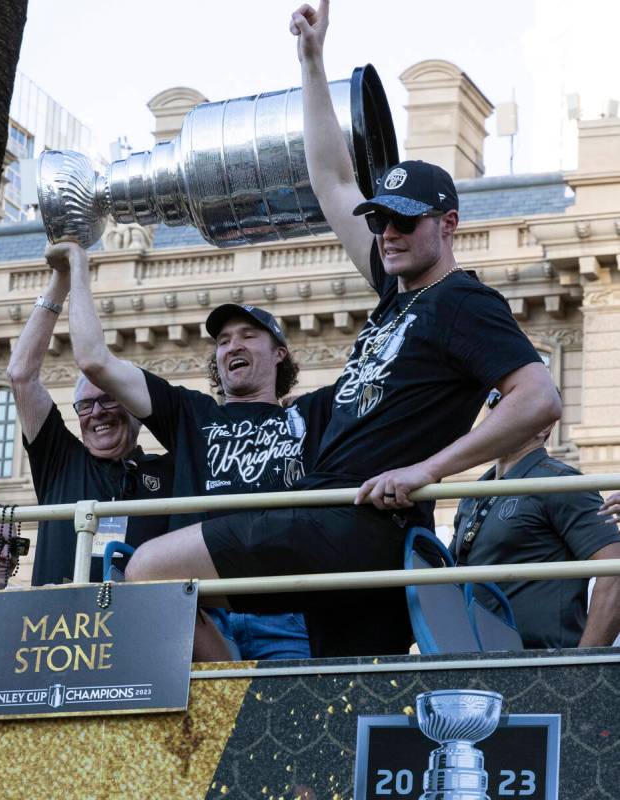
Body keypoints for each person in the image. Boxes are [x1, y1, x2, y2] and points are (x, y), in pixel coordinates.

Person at [63, 0, 561, 660]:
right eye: (379, 220)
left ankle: (230, 716)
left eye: (404, 223)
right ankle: (261, 737)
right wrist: (311, 60)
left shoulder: (461, 302)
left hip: (350, 521)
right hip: (353, 531)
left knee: (147, 571)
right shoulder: (394, 293)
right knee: (340, 696)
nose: (386, 234)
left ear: (447, 225)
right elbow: (330, 178)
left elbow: (539, 399)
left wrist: (427, 469)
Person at [57, 240, 334, 660]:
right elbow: (95, 361)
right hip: (202, 615)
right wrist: (77, 264)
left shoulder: (311, 416)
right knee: (214, 721)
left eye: (247, 336)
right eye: (223, 341)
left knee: (282, 722)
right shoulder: (191, 414)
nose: (232, 346)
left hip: (287, 614)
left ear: (280, 353)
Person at [6, 255, 173, 586]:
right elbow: (20, 374)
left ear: (135, 409)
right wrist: (62, 279)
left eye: (109, 399)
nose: (97, 412)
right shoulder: (61, 462)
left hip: (142, 625)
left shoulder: (169, 471)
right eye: (84, 406)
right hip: (58, 629)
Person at [451, 389, 620, 648]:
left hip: (541, 667)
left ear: (544, 425)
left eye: (515, 403)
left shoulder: (560, 483)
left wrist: (582, 669)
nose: (499, 410)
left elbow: (614, 570)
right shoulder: (472, 493)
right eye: (495, 400)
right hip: (474, 664)